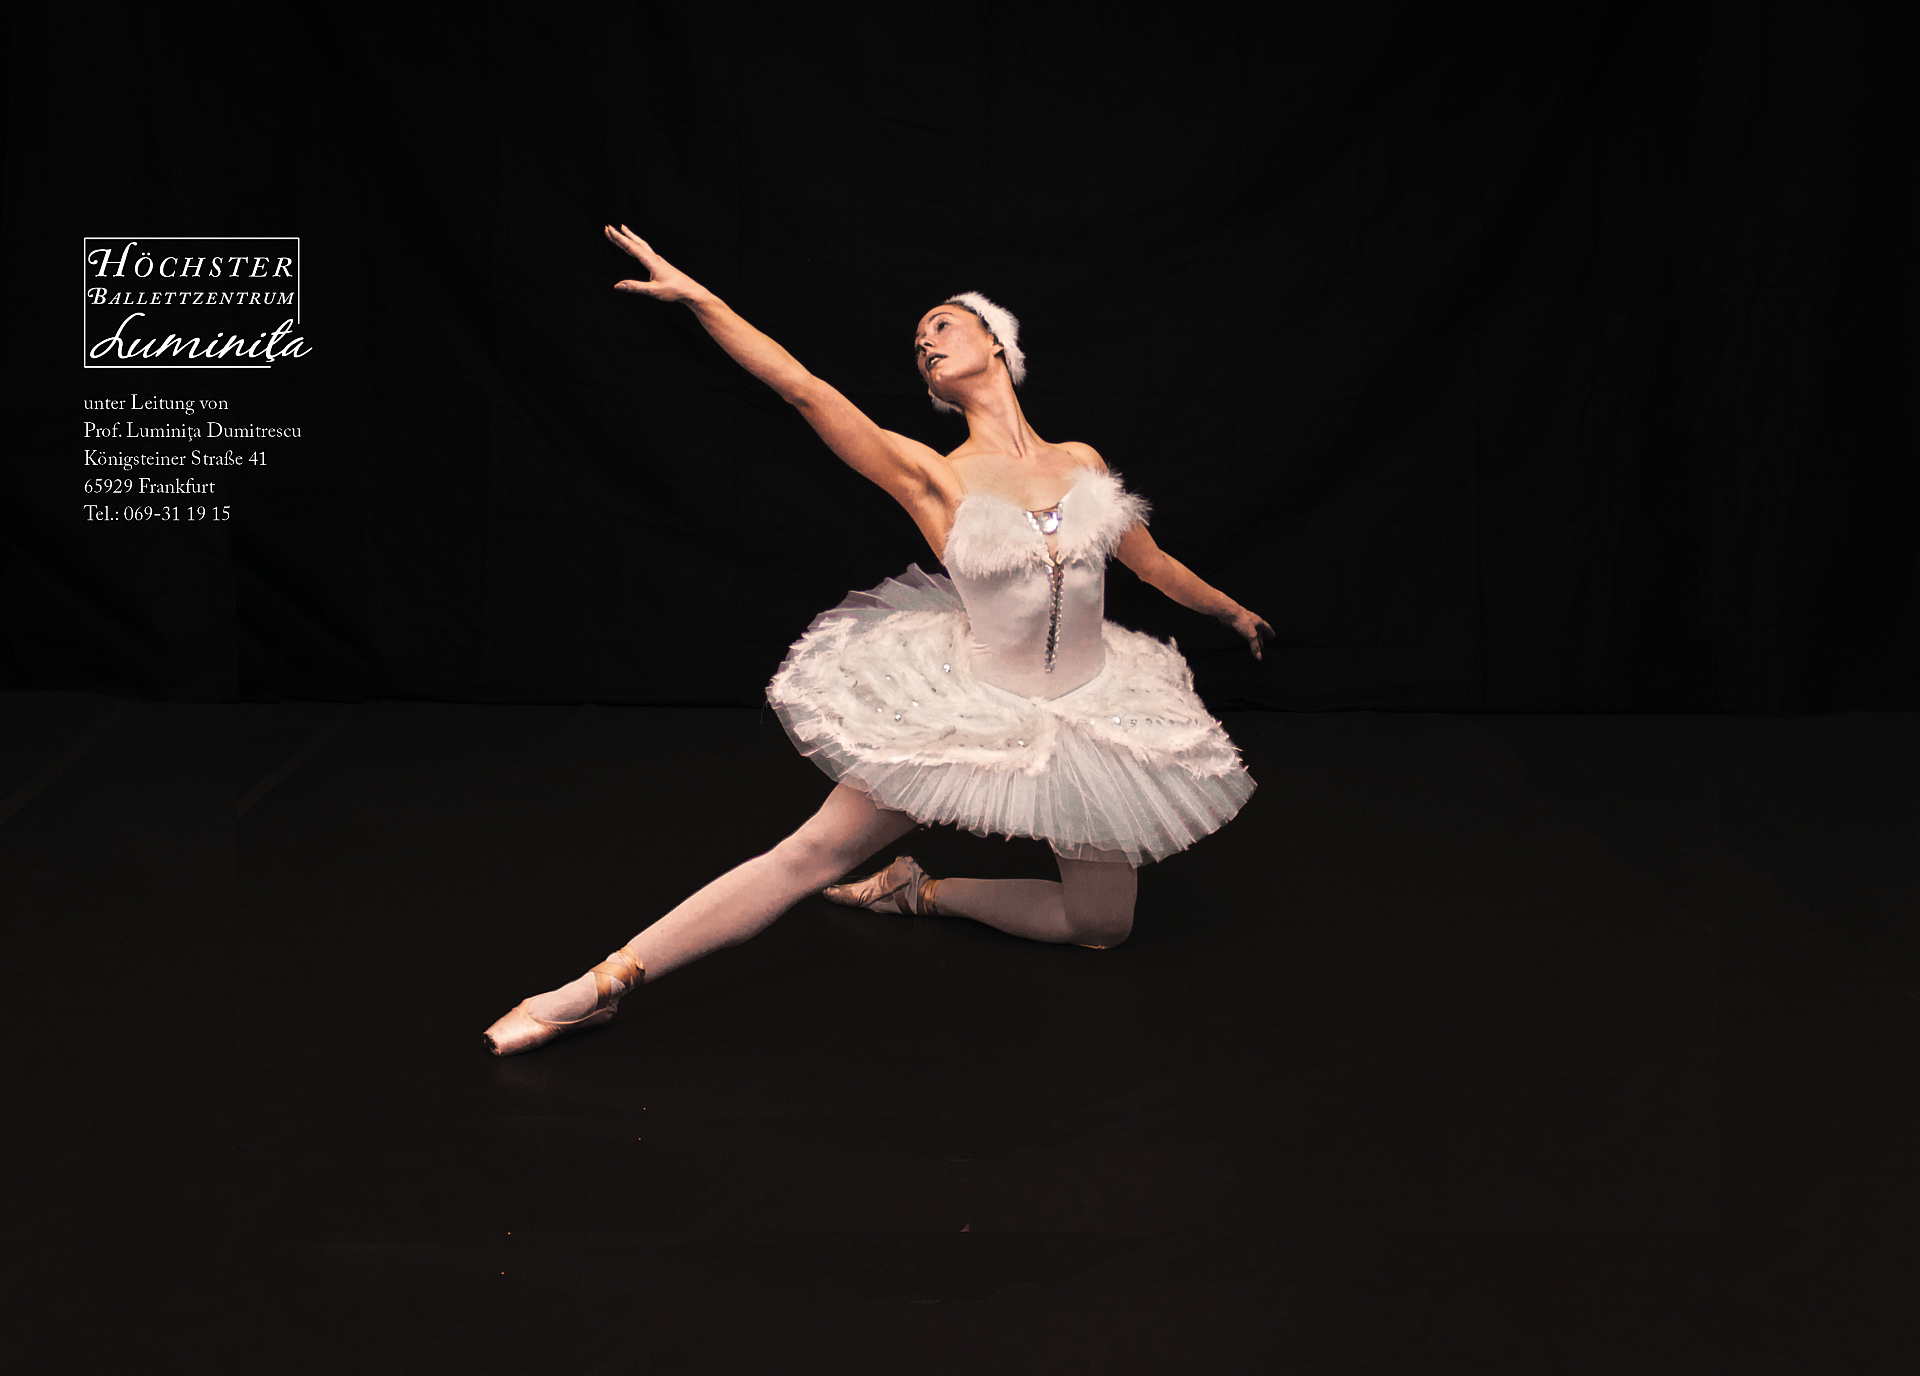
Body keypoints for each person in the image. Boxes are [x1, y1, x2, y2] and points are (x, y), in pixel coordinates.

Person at [482, 225, 1272, 1056]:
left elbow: (1150, 562)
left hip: (1090, 708)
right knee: (811, 852)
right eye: (917, 341)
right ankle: (594, 987)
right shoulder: (935, 475)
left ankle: (918, 893)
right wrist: (703, 301)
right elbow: (804, 390)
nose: (924, 342)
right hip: (977, 708)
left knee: (1102, 924)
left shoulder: (1081, 460)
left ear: (996, 344)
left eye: (942, 324)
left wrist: (1230, 612)